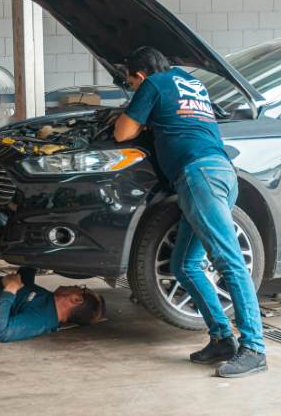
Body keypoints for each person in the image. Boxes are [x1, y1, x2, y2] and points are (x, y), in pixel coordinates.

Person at [112, 46, 267, 378]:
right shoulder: (190, 82)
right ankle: (223, 339)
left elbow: (123, 132)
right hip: (222, 171)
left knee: (229, 262)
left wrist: (135, 113)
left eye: (132, 84)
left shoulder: (152, 84)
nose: (135, 89)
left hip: (200, 178)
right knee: (185, 265)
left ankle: (254, 349)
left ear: (140, 74)